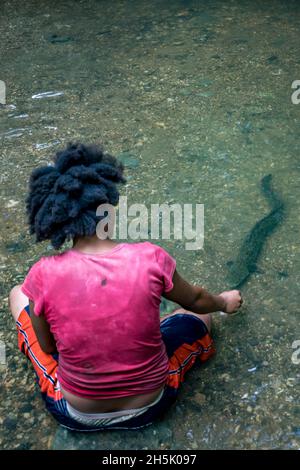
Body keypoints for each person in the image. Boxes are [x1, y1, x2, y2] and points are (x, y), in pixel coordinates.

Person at [9, 142, 243, 431]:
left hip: (75, 412)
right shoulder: (150, 258)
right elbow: (196, 299)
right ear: (109, 208)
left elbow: (48, 346)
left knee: (18, 294)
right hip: (151, 405)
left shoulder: (43, 273)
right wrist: (223, 302)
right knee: (201, 318)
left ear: (56, 217)